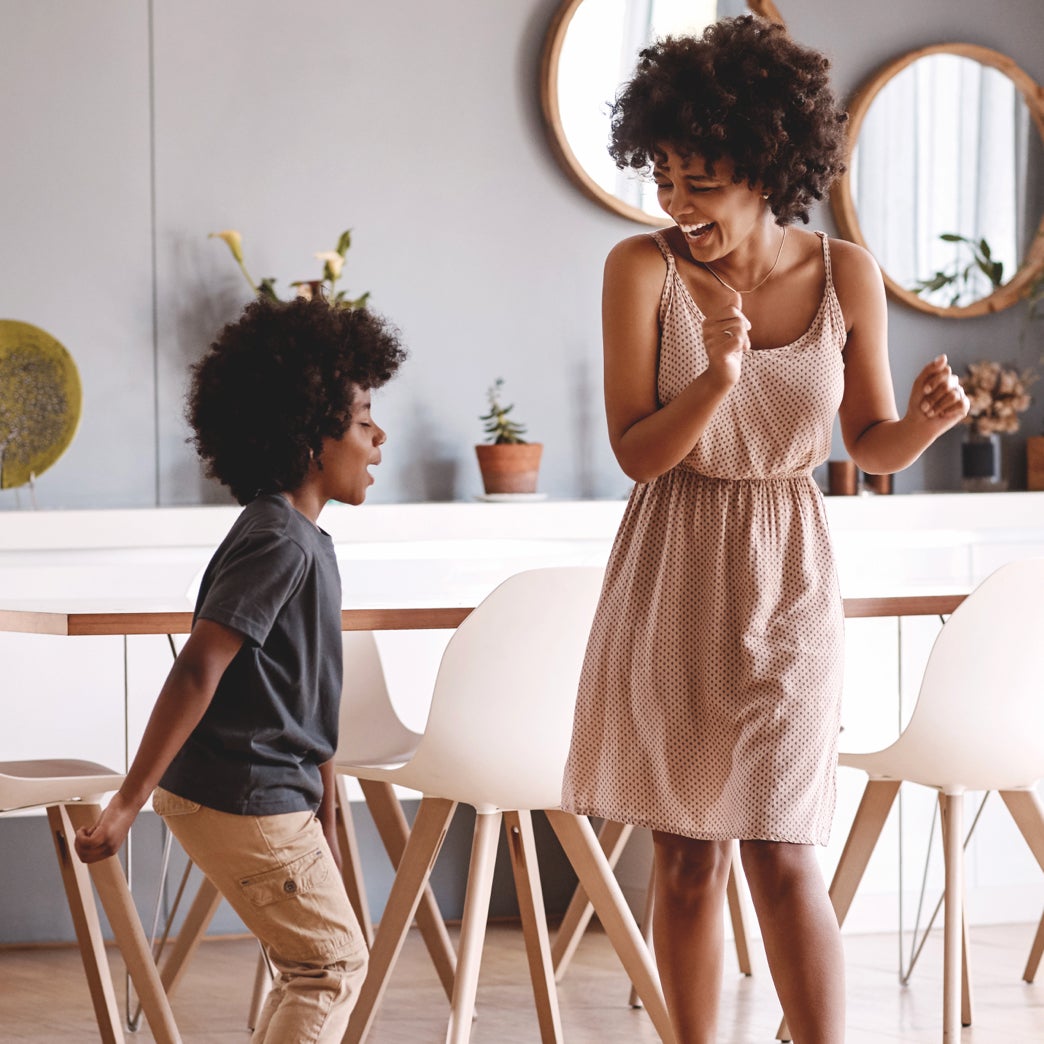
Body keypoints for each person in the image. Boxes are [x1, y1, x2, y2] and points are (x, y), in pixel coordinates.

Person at [561, 16, 968, 1044]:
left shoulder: (845, 275)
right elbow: (638, 453)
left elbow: (867, 442)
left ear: (763, 167)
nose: (676, 203)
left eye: (700, 181)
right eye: (663, 176)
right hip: (673, 567)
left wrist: (921, 426)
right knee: (687, 851)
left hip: (790, 571)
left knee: (782, 844)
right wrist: (716, 378)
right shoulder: (638, 271)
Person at [75, 294, 406, 1043]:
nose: (379, 435)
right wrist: (128, 800)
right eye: (361, 420)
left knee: (312, 966)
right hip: (245, 794)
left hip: (262, 790)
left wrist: (323, 798)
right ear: (311, 440)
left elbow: (297, 691)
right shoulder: (280, 540)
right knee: (329, 969)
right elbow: (199, 667)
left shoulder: (291, 535)